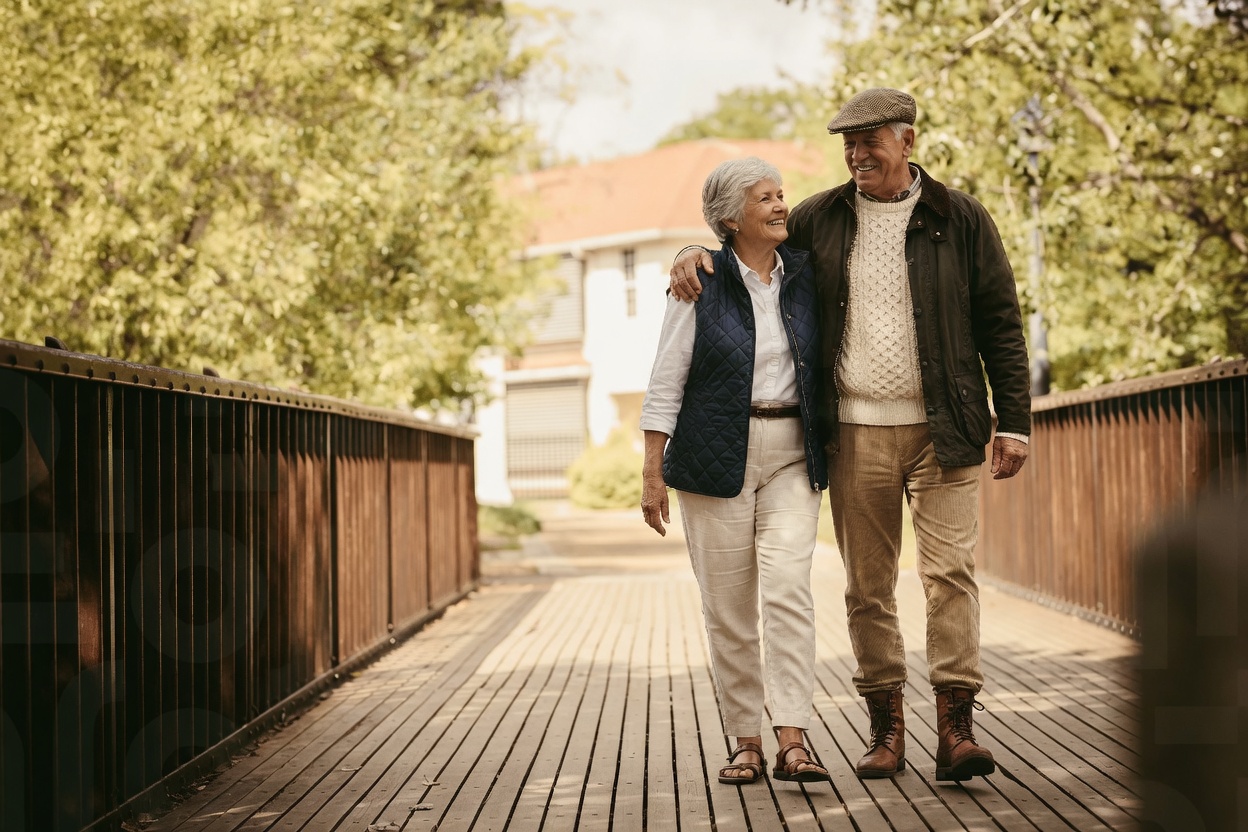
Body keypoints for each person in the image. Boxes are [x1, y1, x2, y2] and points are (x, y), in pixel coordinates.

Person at [669, 88, 1031, 783]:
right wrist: (693, 248)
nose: (857, 154)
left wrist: (1012, 420)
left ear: (907, 142)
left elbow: (1001, 324)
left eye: (870, 142)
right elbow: (748, 245)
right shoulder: (819, 218)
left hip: (947, 429)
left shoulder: (961, 218)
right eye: (849, 143)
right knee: (868, 587)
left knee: (950, 575)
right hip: (855, 431)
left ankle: (956, 731)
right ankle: (885, 730)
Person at [640, 157, 830, 786]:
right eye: (766, 199)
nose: (782, 207)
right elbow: (666, 378)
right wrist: (652, 470)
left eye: (782, 195)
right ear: (730, 218)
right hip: (713, 452)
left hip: (793, 450)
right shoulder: (700, 280)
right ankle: (745, 739)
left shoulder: (804, 272)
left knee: (788, 593)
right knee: (728, 608)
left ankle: (794, 738)